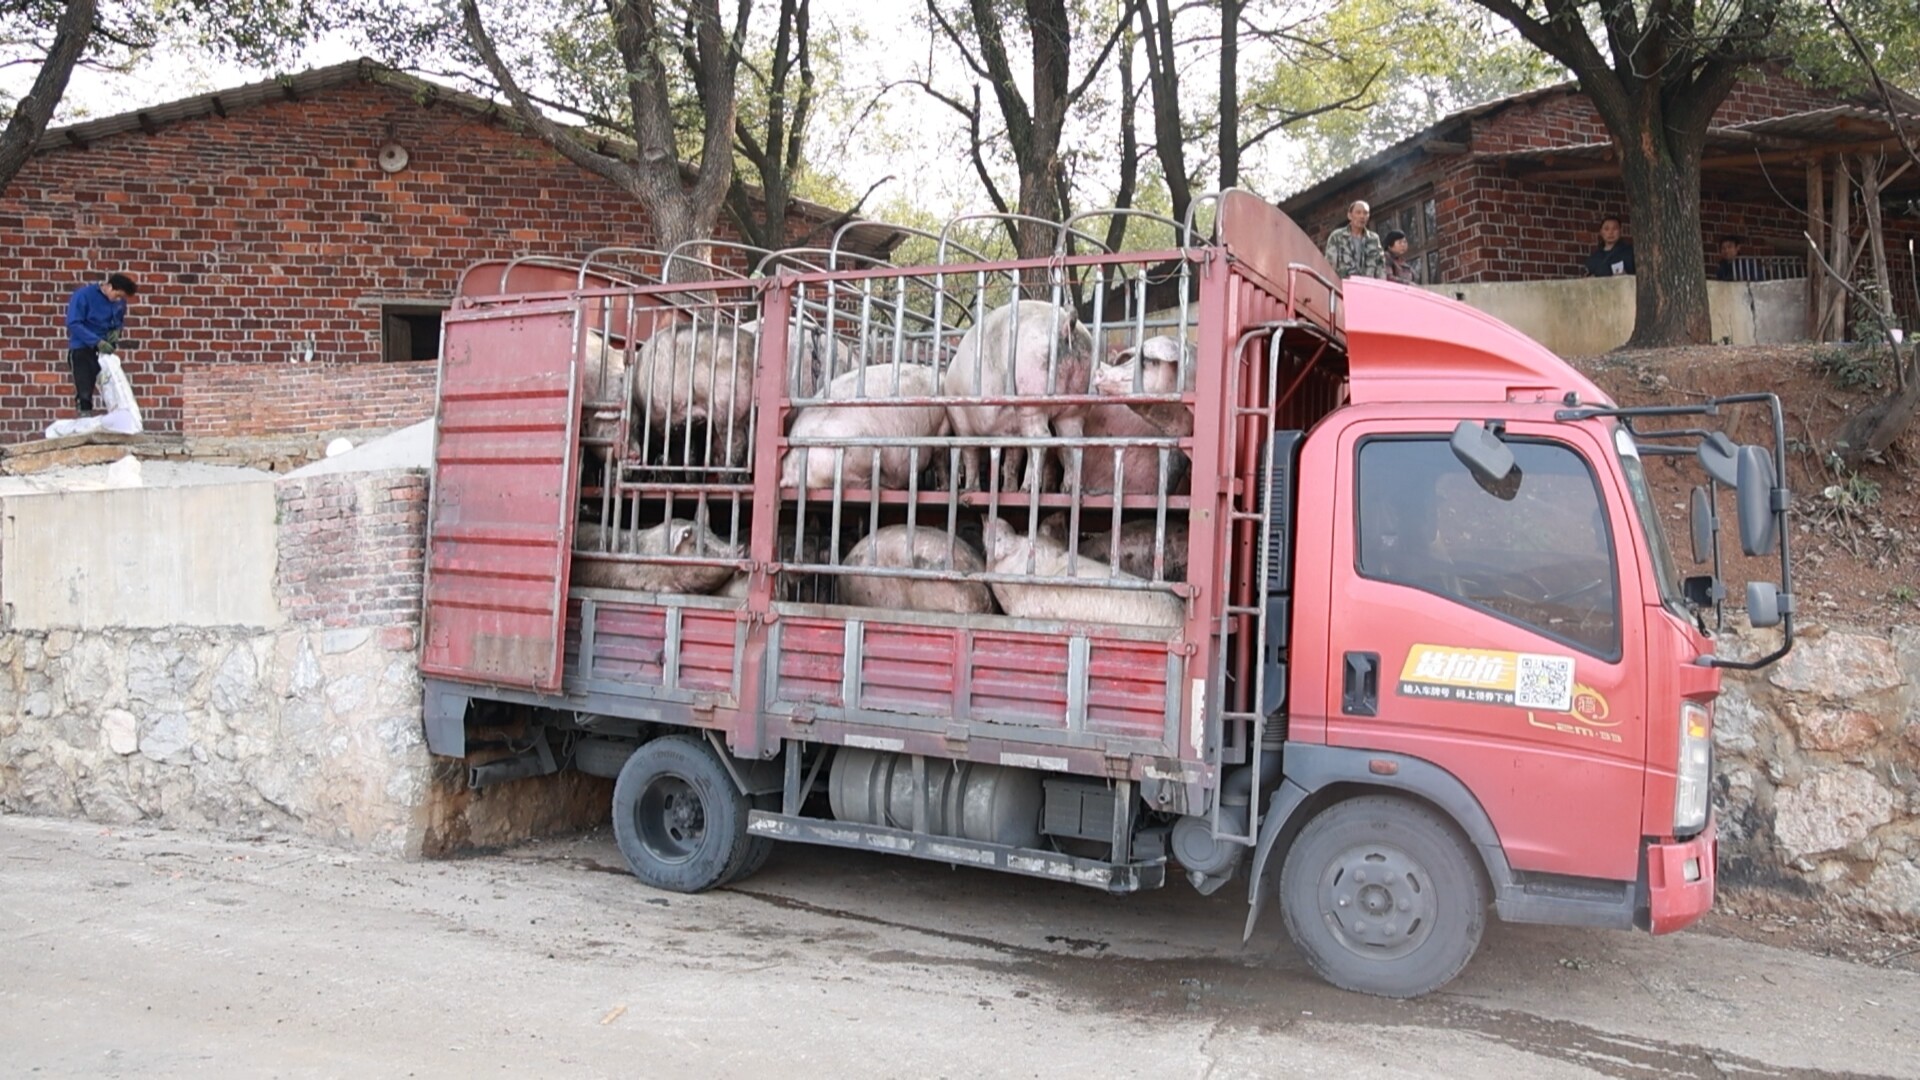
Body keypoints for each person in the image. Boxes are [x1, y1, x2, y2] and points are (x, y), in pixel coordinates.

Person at [65, 273, 138, 415]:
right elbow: (73, 323)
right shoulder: (84, 295)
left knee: (115, 385)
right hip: (83, 348)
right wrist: (96, 341)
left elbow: (118, 320)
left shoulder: (119, 302)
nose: (118, 300)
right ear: (109, 287)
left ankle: (121, 416)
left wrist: (116, 331)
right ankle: (84, 415)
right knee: (84, 389)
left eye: (121, 298)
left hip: (105, 351)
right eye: (117, 295)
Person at [1324, 199, 1385, 279]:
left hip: (1367, 288)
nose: (1362, 216)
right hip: (1343, 287)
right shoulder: (1337, 237)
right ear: (1349, 215)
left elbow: (1381, 268)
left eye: (1365, 213)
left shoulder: (1374, 239)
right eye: (1358, 212)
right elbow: (1329, 267)